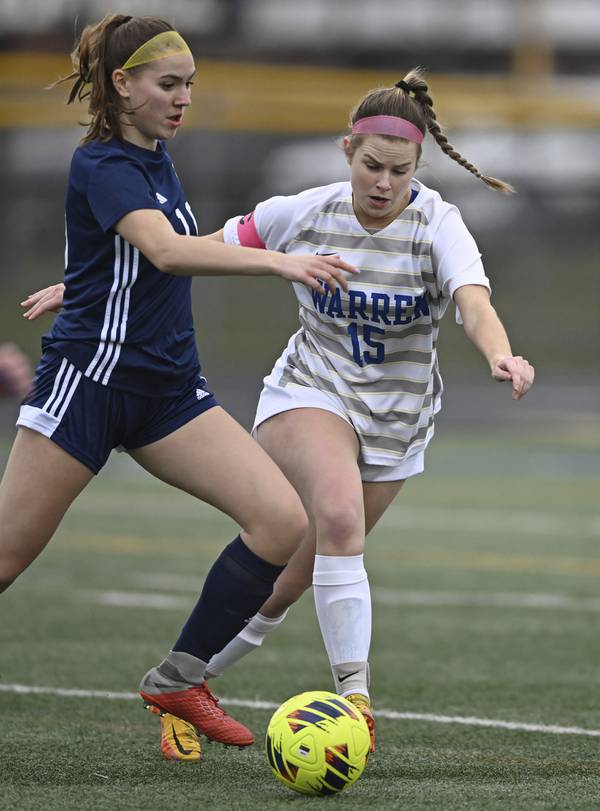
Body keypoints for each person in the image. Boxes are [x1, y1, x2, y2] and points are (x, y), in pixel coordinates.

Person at [23, 69, 535, 757]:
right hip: (309, 393)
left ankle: (184, 680)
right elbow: (195, 248)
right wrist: (93, 280)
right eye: (371, 165)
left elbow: (474, 302)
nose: (384, 182)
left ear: (418, 168)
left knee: (293, 576)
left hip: (396, 422)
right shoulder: (304, 211)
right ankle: (358, 703)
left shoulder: (438, 223)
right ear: (346, 151)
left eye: (400, 171)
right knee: (339, 515)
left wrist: (501, 354)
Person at [1, 13, 356, 763]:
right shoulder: (101, 162)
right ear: (121, 86)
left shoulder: (157, 156)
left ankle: (178, 677)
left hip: (167, 393)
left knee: (280, 521)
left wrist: (84, 280)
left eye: (190, 84)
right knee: (4, 559)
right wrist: (284, 263)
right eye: (168, 84)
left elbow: (144, 249)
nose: (183, 98)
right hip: (88, 385)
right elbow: (163, 251)